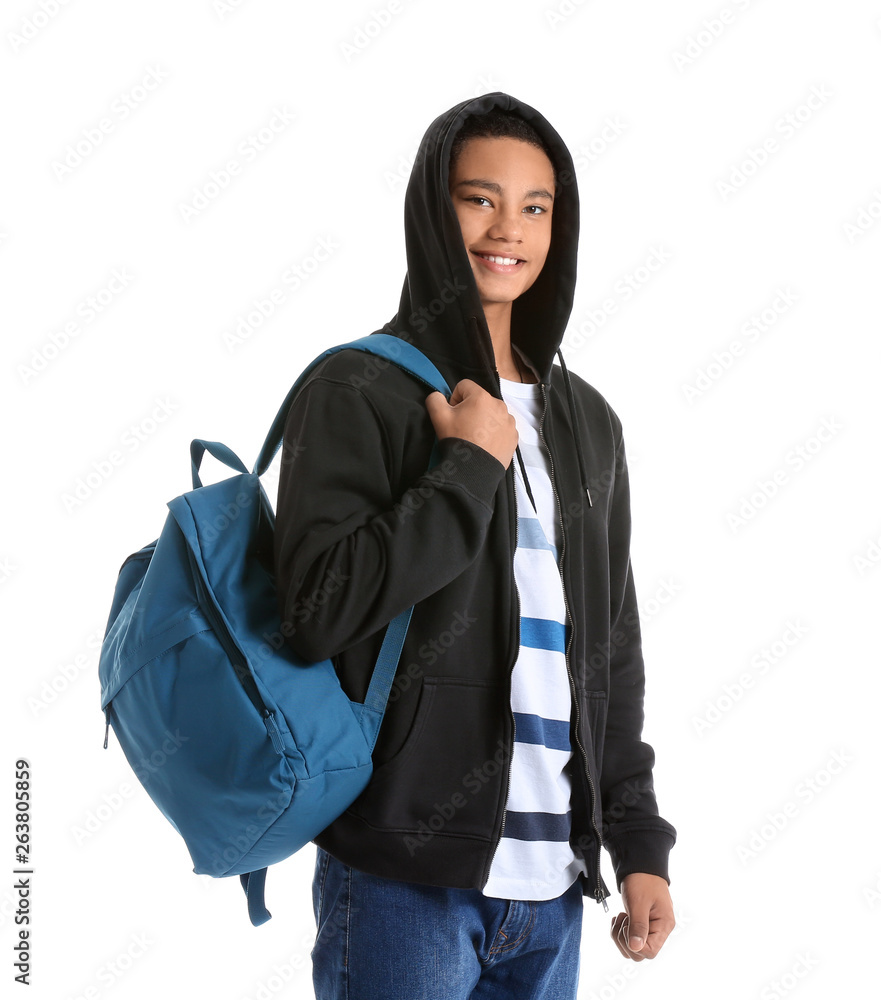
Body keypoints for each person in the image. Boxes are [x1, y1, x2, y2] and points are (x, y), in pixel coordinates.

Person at [273, 91, 676, 1000]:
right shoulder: (358, 389)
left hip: (556, 894)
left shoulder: (588, 423)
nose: (510, 229)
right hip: (400, 882)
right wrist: (463, 466)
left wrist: (637, 841)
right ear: (430, 210)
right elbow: (313, 612)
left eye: (536, 206)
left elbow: (610, 650)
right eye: (478, 198)